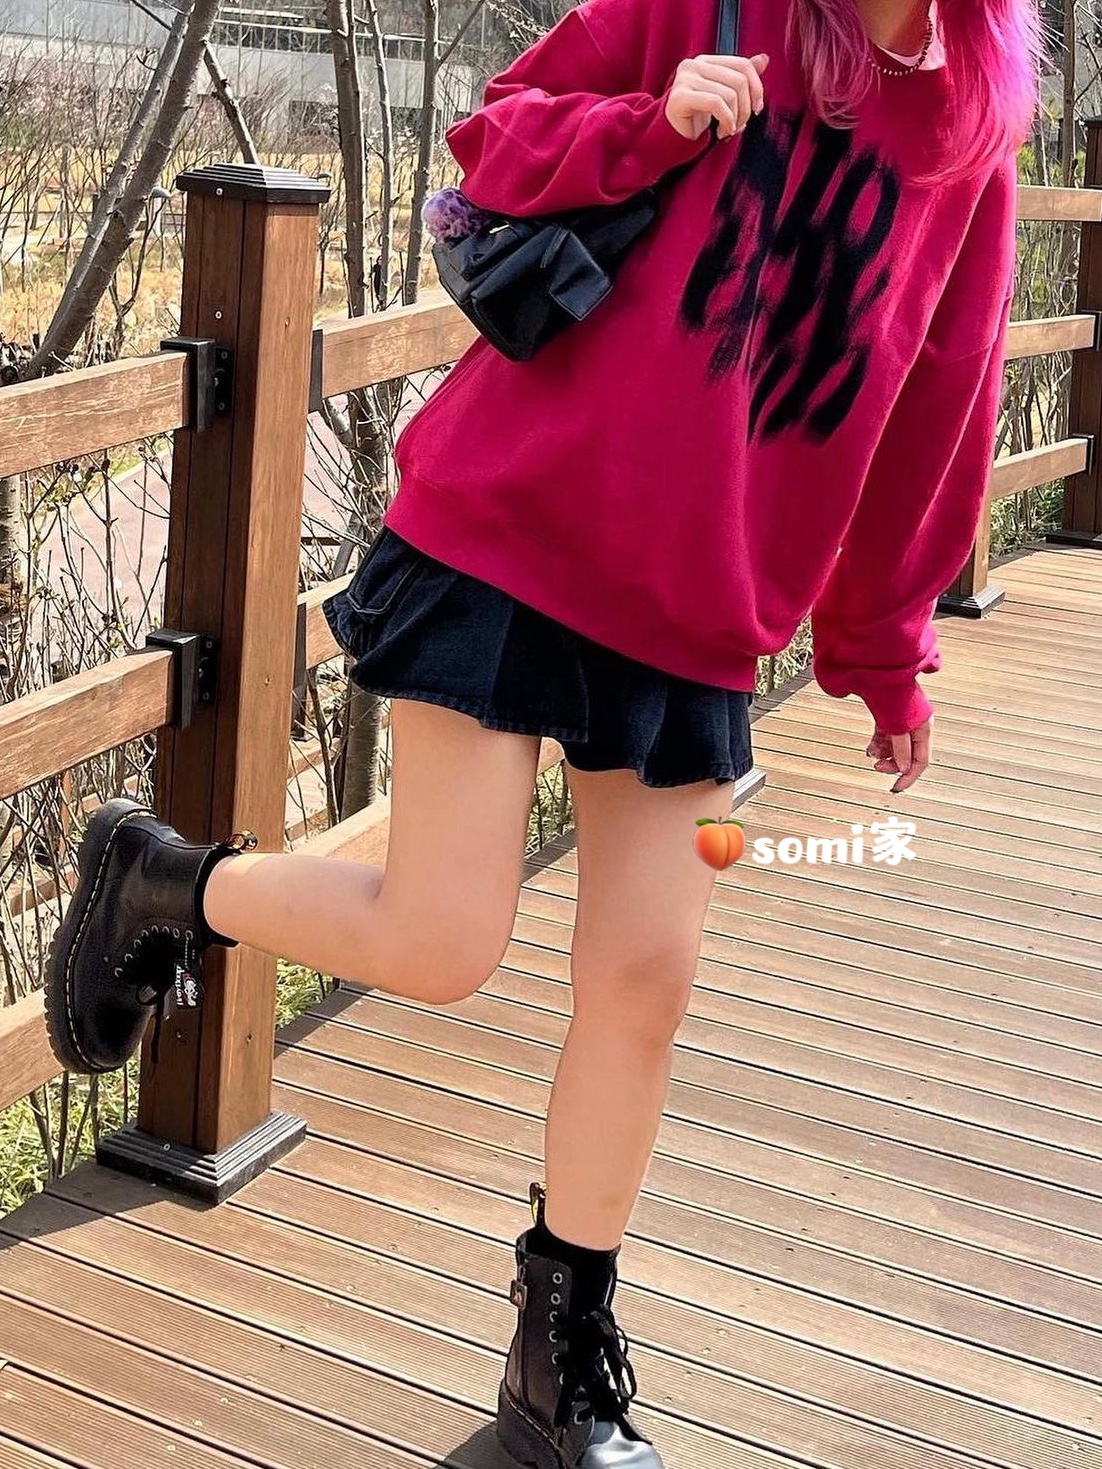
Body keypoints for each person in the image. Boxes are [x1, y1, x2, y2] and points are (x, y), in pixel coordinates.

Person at [45, 0, 1040, 1464]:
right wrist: (653, 123)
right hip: (515, 528)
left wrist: (884, 645)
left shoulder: (971, 130)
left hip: (700, 601)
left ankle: (556, 1358)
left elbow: (944, 393)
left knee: (645, 979)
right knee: (443, 938)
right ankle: (166, 882)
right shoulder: (712, 8)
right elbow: (496, 140)